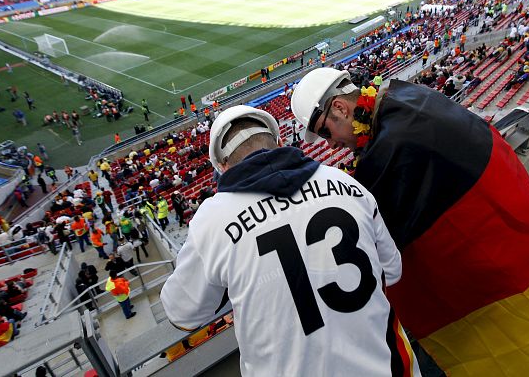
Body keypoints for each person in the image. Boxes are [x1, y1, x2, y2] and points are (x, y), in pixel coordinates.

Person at [291, 68, 529, 376]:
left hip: (489, 282)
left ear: (341, 108)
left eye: (325, 132)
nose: (328, 145)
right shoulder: (405, 94)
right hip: (517, 241)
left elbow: (381, 247)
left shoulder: (389, 150)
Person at [160, 106, 418, 376]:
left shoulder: (211, 221)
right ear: (279, 142)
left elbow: (181, 313)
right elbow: (393, 270)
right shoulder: (345, 183)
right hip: (387, 366)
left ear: (222, 168)